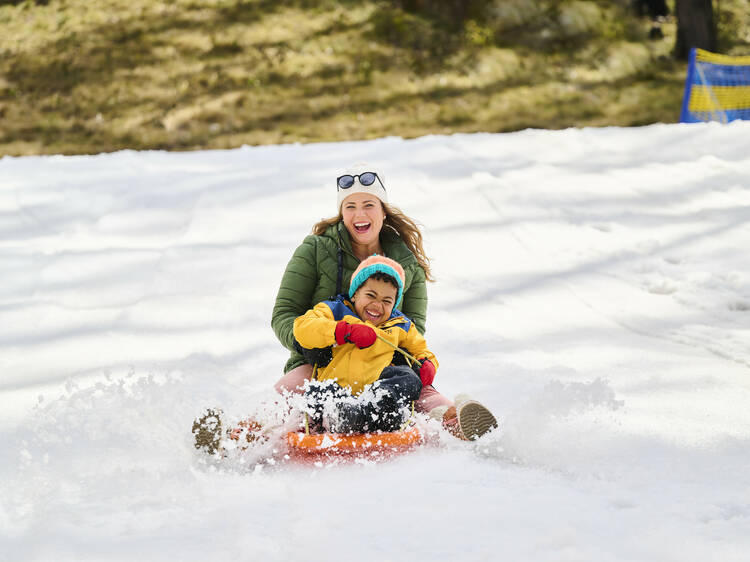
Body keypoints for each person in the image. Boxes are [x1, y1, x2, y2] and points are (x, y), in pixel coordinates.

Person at [271, 164, 497, 440]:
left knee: (414, 386)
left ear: (383, 211)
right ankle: (244, 434)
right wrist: (322, 342)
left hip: (381, 362)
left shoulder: (406, 263)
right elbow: (285, 314)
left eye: (369, 204)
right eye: (350, 206)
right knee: (291, 392)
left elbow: (413, 330)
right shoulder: (316, 250)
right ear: (341, 212)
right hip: (322, 361)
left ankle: (457, 420)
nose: (360, 214)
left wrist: (420, 363)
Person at [294, 255, 436, 433]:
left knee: (407, 378)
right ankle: (341, 416)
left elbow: (420, 349)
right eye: (371, 295)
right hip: (337, 389)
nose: (377, 305)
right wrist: (343, 331)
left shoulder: (400, 325)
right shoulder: (335, 310)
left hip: (376, 393)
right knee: (317, 391)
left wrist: (426, 363)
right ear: (354, 295)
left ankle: (379, 415)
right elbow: (302, 328)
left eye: (387, 301)